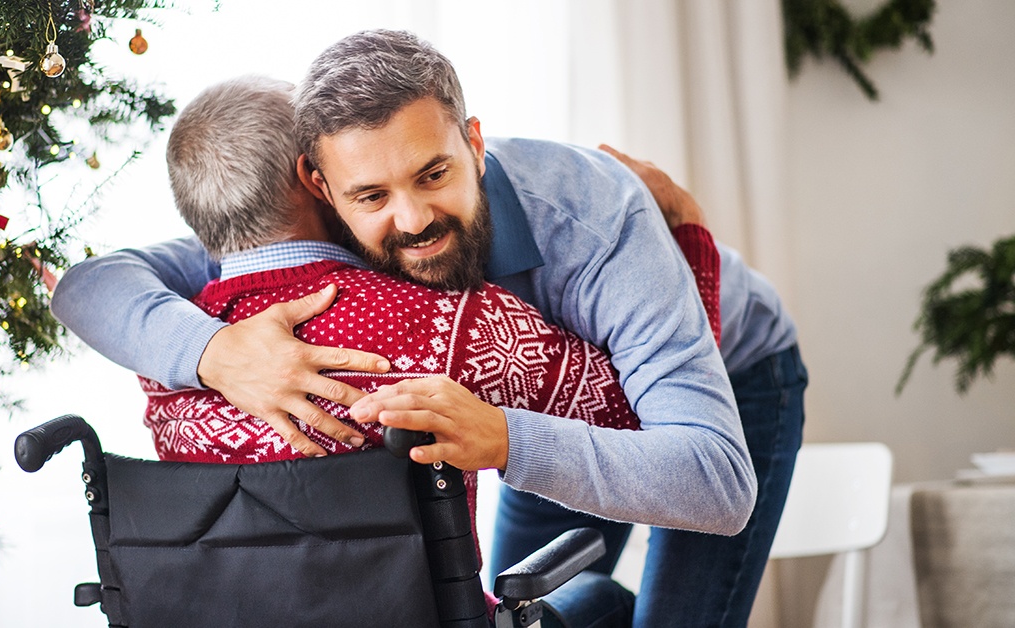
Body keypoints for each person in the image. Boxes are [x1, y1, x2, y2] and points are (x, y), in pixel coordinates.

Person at [52, 30, 801, 627]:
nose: (410, 220)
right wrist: (214, 353)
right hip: (521, 410)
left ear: (474, 143)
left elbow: (715, 481)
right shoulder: (328, 215)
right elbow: (89, 286)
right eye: (371, 194)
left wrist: (508, 437)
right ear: (320, 188)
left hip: (723, 386)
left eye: (434, 174)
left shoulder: (596, 218)